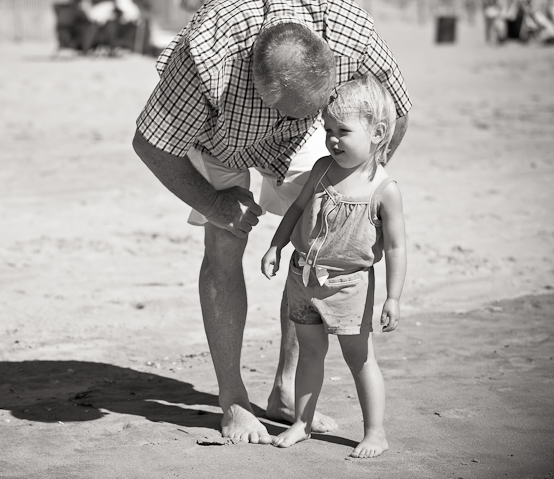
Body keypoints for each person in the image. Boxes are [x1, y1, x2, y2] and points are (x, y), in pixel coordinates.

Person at [132, 0, 411, 444]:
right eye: (292, 109)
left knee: (314, 233)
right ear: (255, 81)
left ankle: (286, 390)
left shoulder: (347, 32)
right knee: (224, 240)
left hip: (301, 143)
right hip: (214, 140)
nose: (303, 120)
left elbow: (396, 112)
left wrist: (357, 194)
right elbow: (150, 144)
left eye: (313, 109)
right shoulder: (210, 56)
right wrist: (216, 205)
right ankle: (234, 401)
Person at [261, 74, 406, 457]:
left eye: (343, 130)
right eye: (327, 129)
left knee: (359, 358)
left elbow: (395, 247)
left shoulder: (384, 190)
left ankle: (375, 432)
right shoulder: (322, 169)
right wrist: (276, 245)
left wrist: (393, 297)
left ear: (377, 132)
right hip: (302, 275)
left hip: (349, 286)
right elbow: (295, 209)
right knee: (309, 353)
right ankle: (302, 423)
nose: (332, 139)